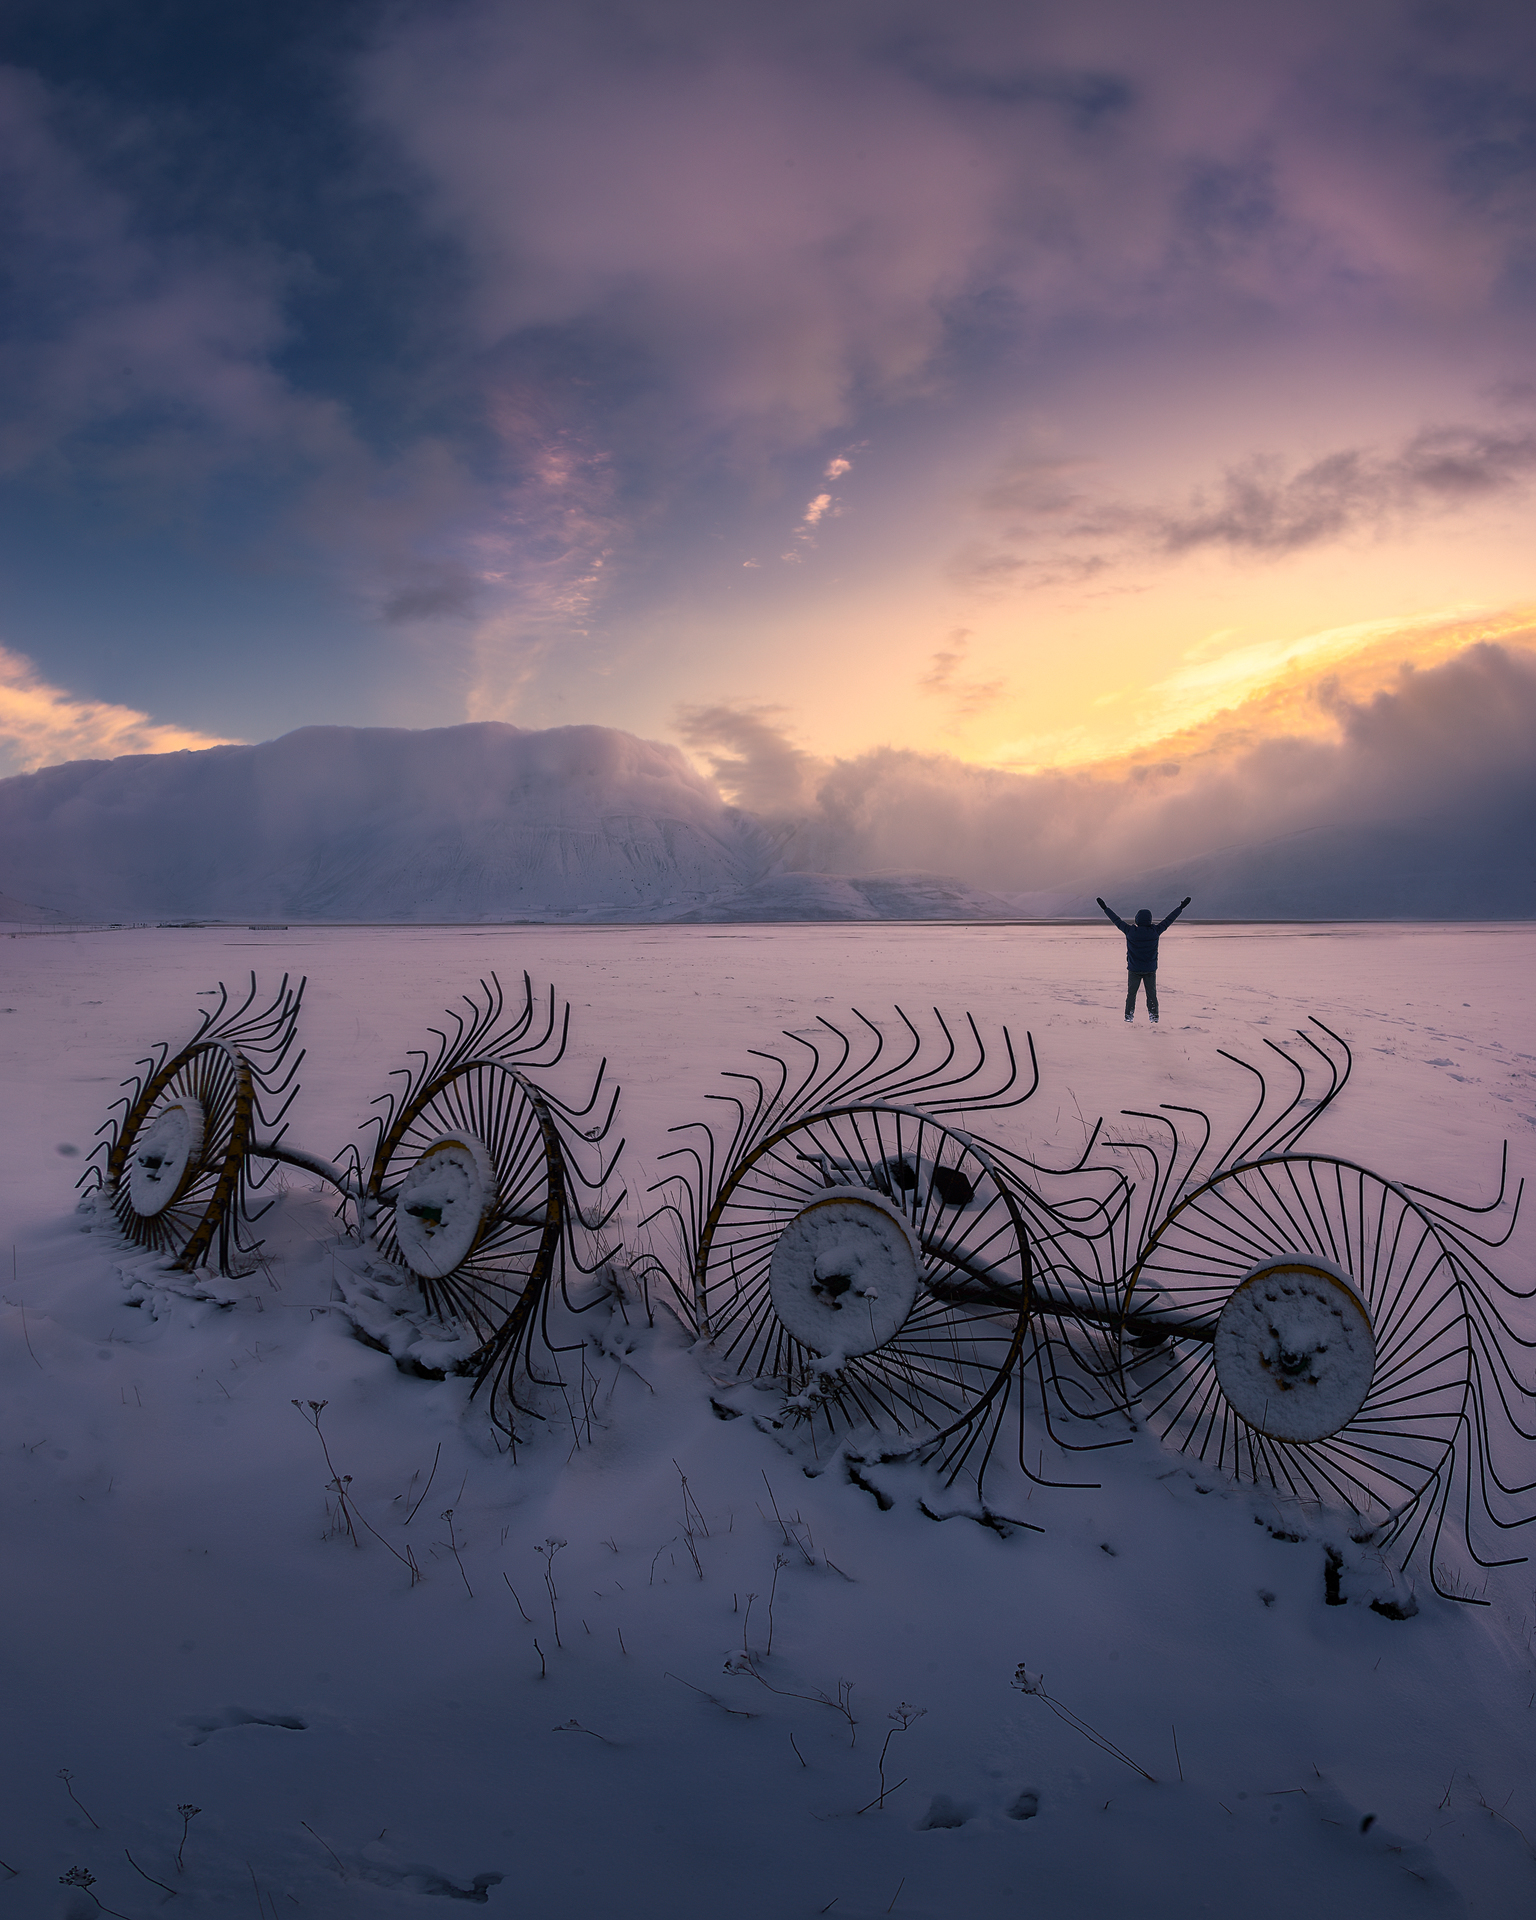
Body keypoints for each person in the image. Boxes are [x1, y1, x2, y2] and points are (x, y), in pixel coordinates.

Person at [1096, 894, 1191, 1024]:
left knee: (1131, 995)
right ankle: (1154, 1017)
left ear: (1137, 919)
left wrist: (1105, 908)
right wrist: (1181, 907)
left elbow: (1116, 920)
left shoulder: (1130, 931)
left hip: (1134, 969)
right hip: (1150, 969)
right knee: (1151, 994)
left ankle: (1129, 1016)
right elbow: (1169, 919)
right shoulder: (1155, 931)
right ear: (1149, 920)